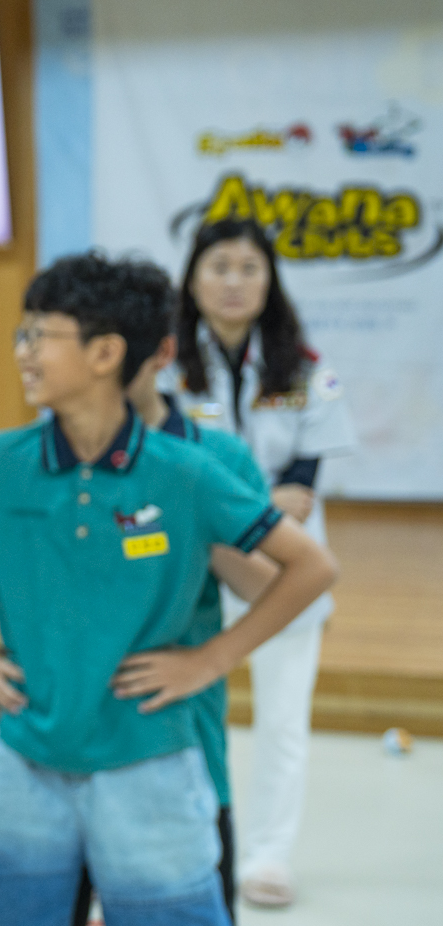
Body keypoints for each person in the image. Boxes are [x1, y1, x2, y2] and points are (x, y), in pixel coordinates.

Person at [0, 251, 335, 926]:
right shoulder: (3, 460)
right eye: (23, 333)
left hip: (152, 751)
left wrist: (211, 658)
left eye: (41, 334)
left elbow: (306, 570)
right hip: (25, 750)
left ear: (110, 354)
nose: (24, 351)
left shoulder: (193, 467)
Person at [0, 324, 283, 924]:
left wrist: (180, 516)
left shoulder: (210, 459)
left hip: (167, 740)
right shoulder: (38, 452)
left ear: (151, 353)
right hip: (53, 746)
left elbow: (272, 584)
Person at [164, 218, 355, 909]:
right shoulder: (165, 369)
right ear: (193, 279)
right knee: (190, 709)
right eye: (219, 266)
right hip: (195, 566)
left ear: (270, 280)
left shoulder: (303, 367)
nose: (234, 282)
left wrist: (243, 504)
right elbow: (166, 464)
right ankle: (194, 841)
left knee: (282, 719)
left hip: (284, 573)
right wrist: (252, 502)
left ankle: (268, 855)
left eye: (249, 268)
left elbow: (300, 492)